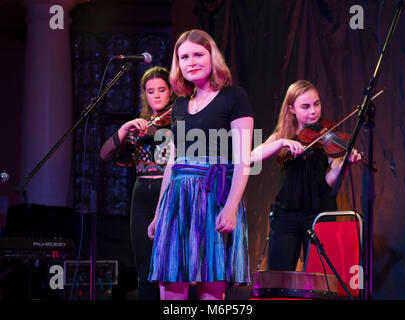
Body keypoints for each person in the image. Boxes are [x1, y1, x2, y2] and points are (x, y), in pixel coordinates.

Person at [147, 29, 253, 300]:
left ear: (212, 57)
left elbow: (243, 160)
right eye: (184, 57)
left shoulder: (234, 97)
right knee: (170, 282)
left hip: (213, 197)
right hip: (177, 200)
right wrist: (159, 213)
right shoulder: (180, 105)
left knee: (211, 285)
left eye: (198, 54)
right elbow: (173, 163)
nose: (190, 61)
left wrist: (230, 208)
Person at [251, 80, 362, 271]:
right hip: (286, 216)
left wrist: (343, 165)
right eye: (306, 106)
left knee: (319, 280)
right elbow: (251, 157)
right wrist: (282, 143)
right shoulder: (282, 135)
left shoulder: (327, 134)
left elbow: (329, 182)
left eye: (316, 104)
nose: (313, 111)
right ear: (292, 108)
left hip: (319, 214)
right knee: (280, 276)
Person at [100, 66, 175, 299]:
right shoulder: (138, 126)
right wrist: (124, 129)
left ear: (171, 92)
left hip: (170, 192)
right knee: (145, 266)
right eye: (150, 91)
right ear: (145, 94)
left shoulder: (179, 121)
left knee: (171, 267)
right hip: (142, 194)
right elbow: (104, 154)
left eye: (161, 90)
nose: (156, 95)